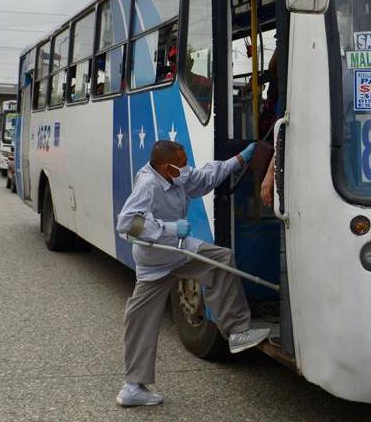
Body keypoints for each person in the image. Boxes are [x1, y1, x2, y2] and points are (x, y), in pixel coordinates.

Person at [114, 139, 269, 407]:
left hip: (180, 251)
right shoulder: (148, 184)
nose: (186, 168)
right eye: (181, 164)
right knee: (140, 319)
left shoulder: (176, 174)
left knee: (222, 260)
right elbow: (127, 223)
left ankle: (237, 332)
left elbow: (205, 177)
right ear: (165, 167)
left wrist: (240, 160)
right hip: (156, 261)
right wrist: (172, 229)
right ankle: (132, 387)